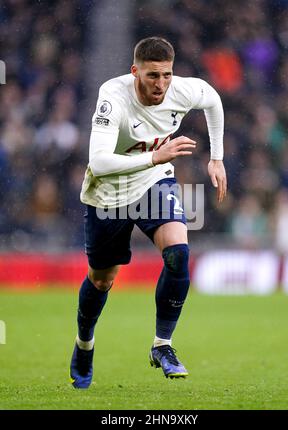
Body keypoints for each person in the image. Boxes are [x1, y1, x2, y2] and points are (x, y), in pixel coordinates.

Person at [70, 36, 227, 388]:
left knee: (178, 254)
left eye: (167, 75)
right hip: (108, 194)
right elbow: (99, 161)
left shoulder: (183, 90)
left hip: (154, 183)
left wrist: (216, 157)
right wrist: (155, 155)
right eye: (153, 76)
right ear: (135, 71)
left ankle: (163, 345)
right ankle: (84, 344)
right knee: (102, 280)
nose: (161, 84)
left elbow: (213, 101)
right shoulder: (113, 95)